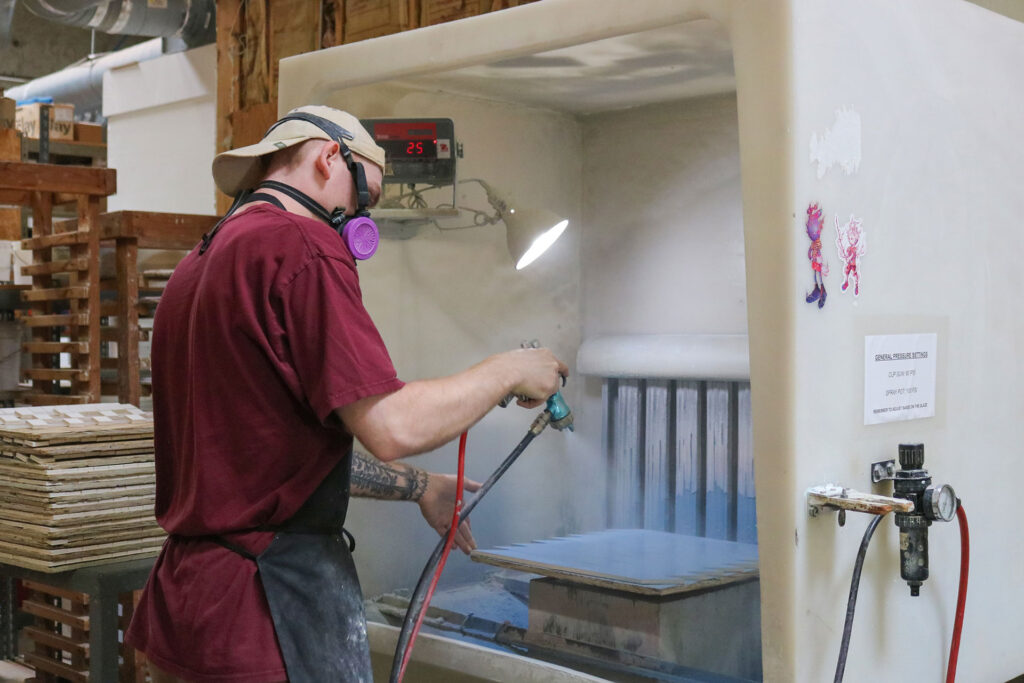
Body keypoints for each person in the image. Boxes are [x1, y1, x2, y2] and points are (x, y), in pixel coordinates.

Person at [125, 105, 568, 683]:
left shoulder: (198, 264)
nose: (359, 217)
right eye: (367, 197)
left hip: (191, 611)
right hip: (265, 616)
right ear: (330, 156)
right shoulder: (301, 244)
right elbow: (394, 428)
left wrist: (421, 487)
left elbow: (269, 455)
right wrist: (508, 369)